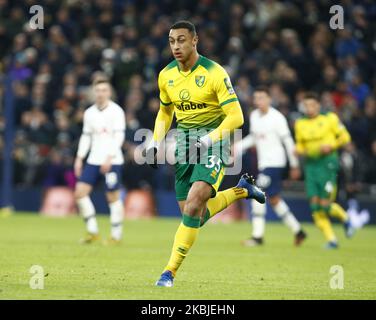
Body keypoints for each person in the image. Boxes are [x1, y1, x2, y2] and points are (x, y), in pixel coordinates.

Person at [145, 20, 266, 287]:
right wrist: (155, 142)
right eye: (172, 41)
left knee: (195, 200)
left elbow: (236, 117)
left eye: (181, 40)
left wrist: (209, 139)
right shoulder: (166, 75)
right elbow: (165, 111)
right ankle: (242, 190)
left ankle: (169, 272)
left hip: (216, 138)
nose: (176, 46)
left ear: (195, 40)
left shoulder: (214, 72)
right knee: (194, 217)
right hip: (185, 142)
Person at [236, 86, 307, 247]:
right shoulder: (254, 116)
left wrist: (294, 165)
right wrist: (238, 147)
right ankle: (298, 231)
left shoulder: (277, 118)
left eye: (262, 97)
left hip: (275, 163)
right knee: (274, 200)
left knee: (255, 193)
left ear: (269, 99)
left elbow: (288, 142)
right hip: (264, 164)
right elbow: (254, 138)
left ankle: (257, 236)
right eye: (256, 97)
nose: (258, 101)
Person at [294, 92, 355, 249]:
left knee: (325, 205)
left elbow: (345, 137)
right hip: (311, 165)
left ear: (318, 106)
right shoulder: (300, 123)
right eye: (306, 105)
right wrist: (299, 150)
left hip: (327, 163)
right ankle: (332, 240)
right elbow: (300, 144)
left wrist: (332, 146)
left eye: (312, 105)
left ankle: (346, 218)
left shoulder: (330, 118)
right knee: (315, 207)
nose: (309, 108)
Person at [74, 78, 126, 245]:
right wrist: (79, 158)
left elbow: (119, 136)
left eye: (104, 90)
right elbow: (86, 136)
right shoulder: (89, 113)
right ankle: (93, 231)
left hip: (112, 160)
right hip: (93, 159)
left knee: (112, 196)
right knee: (80, 193)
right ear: (93, 92)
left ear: (109, 93)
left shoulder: (116, 111)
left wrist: (110, 157)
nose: (100, 93)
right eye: (97, 90)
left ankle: (116, 235)